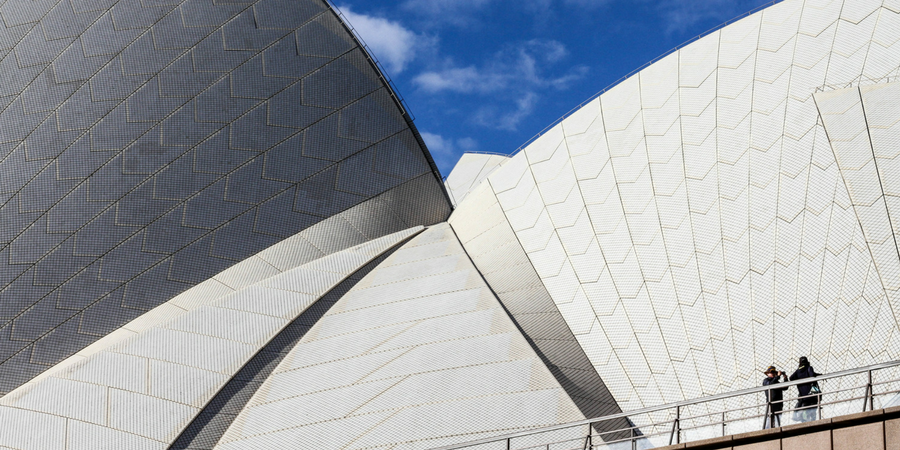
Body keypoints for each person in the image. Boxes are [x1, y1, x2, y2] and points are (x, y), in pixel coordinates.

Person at [789, 356, 821, 423]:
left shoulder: (798, 371)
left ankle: (805, 423)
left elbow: (791, 378)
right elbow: (812, 375)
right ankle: (813, 423)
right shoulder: (809, 368)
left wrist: (799, 380)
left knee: (805, 411)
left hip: (803, 396)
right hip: (812, 394)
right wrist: (816, 375)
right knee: (813, 411)